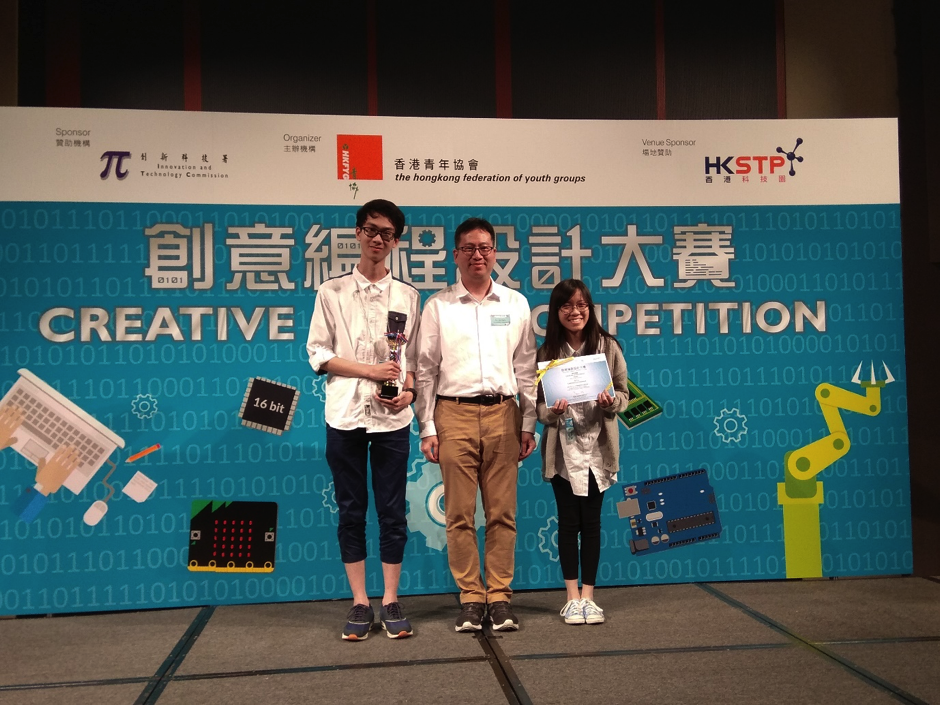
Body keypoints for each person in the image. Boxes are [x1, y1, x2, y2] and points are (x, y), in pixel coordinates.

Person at [415, 217, 537, 633]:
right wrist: (427, 427)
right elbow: (425, 370)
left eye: (485, 247)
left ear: (495, 253)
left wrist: (529, 421)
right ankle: (470, 597)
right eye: (468, 248)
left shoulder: (515, 304)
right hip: (453, 414)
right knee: (459, 514)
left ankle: (499, 597)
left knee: (502, 513)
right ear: (456, 255)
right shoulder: (438, 306)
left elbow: (526, 368)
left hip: (505, 413)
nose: (477, 255)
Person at [306, 199, 421, 640]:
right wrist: (369, 371)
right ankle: (359, 601)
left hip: (392, 419)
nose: (377, 239)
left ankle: (390, 599)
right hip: (345, 415)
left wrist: (408, 392)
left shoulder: (408, 296)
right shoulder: (331, 292)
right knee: (351, 510)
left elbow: (412, 361)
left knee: (392, 512)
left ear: (396, 241)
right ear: (357, 233)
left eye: (387, 233)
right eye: (371, 230)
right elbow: (318, 353)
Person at [535, 279, 630, 625]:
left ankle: (589, 597)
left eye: (581, 305)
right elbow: (539, 407)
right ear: (556, 311)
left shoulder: (607, 346)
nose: (575, 312)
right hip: (563, 449)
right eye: (566, 306)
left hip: (598, 448)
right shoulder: (547, 352)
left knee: (591, 523)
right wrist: (553, 412)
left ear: (589, 309)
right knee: (567, 523)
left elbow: (624, 394)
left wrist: (611, 403)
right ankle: (571, 598)